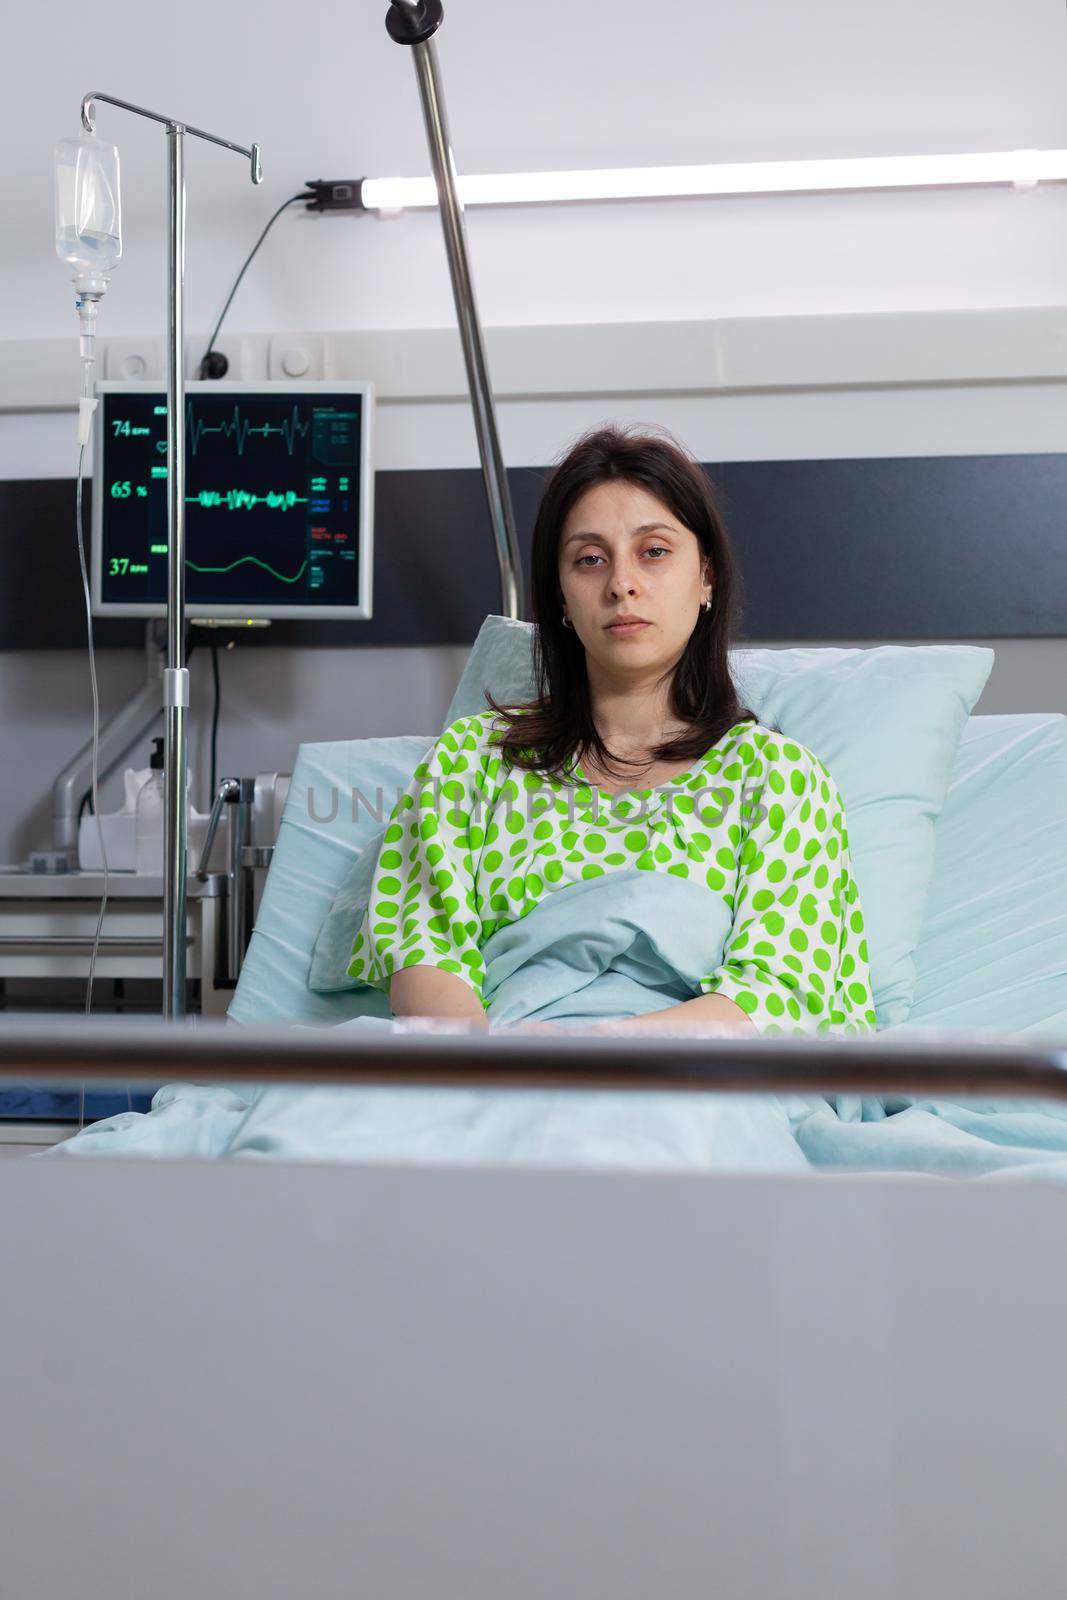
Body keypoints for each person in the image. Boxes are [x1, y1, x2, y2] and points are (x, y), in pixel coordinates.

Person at [347, 423, 876, 1039]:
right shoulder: (472, 761)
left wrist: (589, 1057)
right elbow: (421, 953)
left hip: (689, 1090)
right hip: (489, 1074)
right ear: (562, 601)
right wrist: (499, 1072)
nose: (621, 583)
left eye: (654, 551)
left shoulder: (777, 780)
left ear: (706, 578)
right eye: (589, 559)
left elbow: (779, 999)